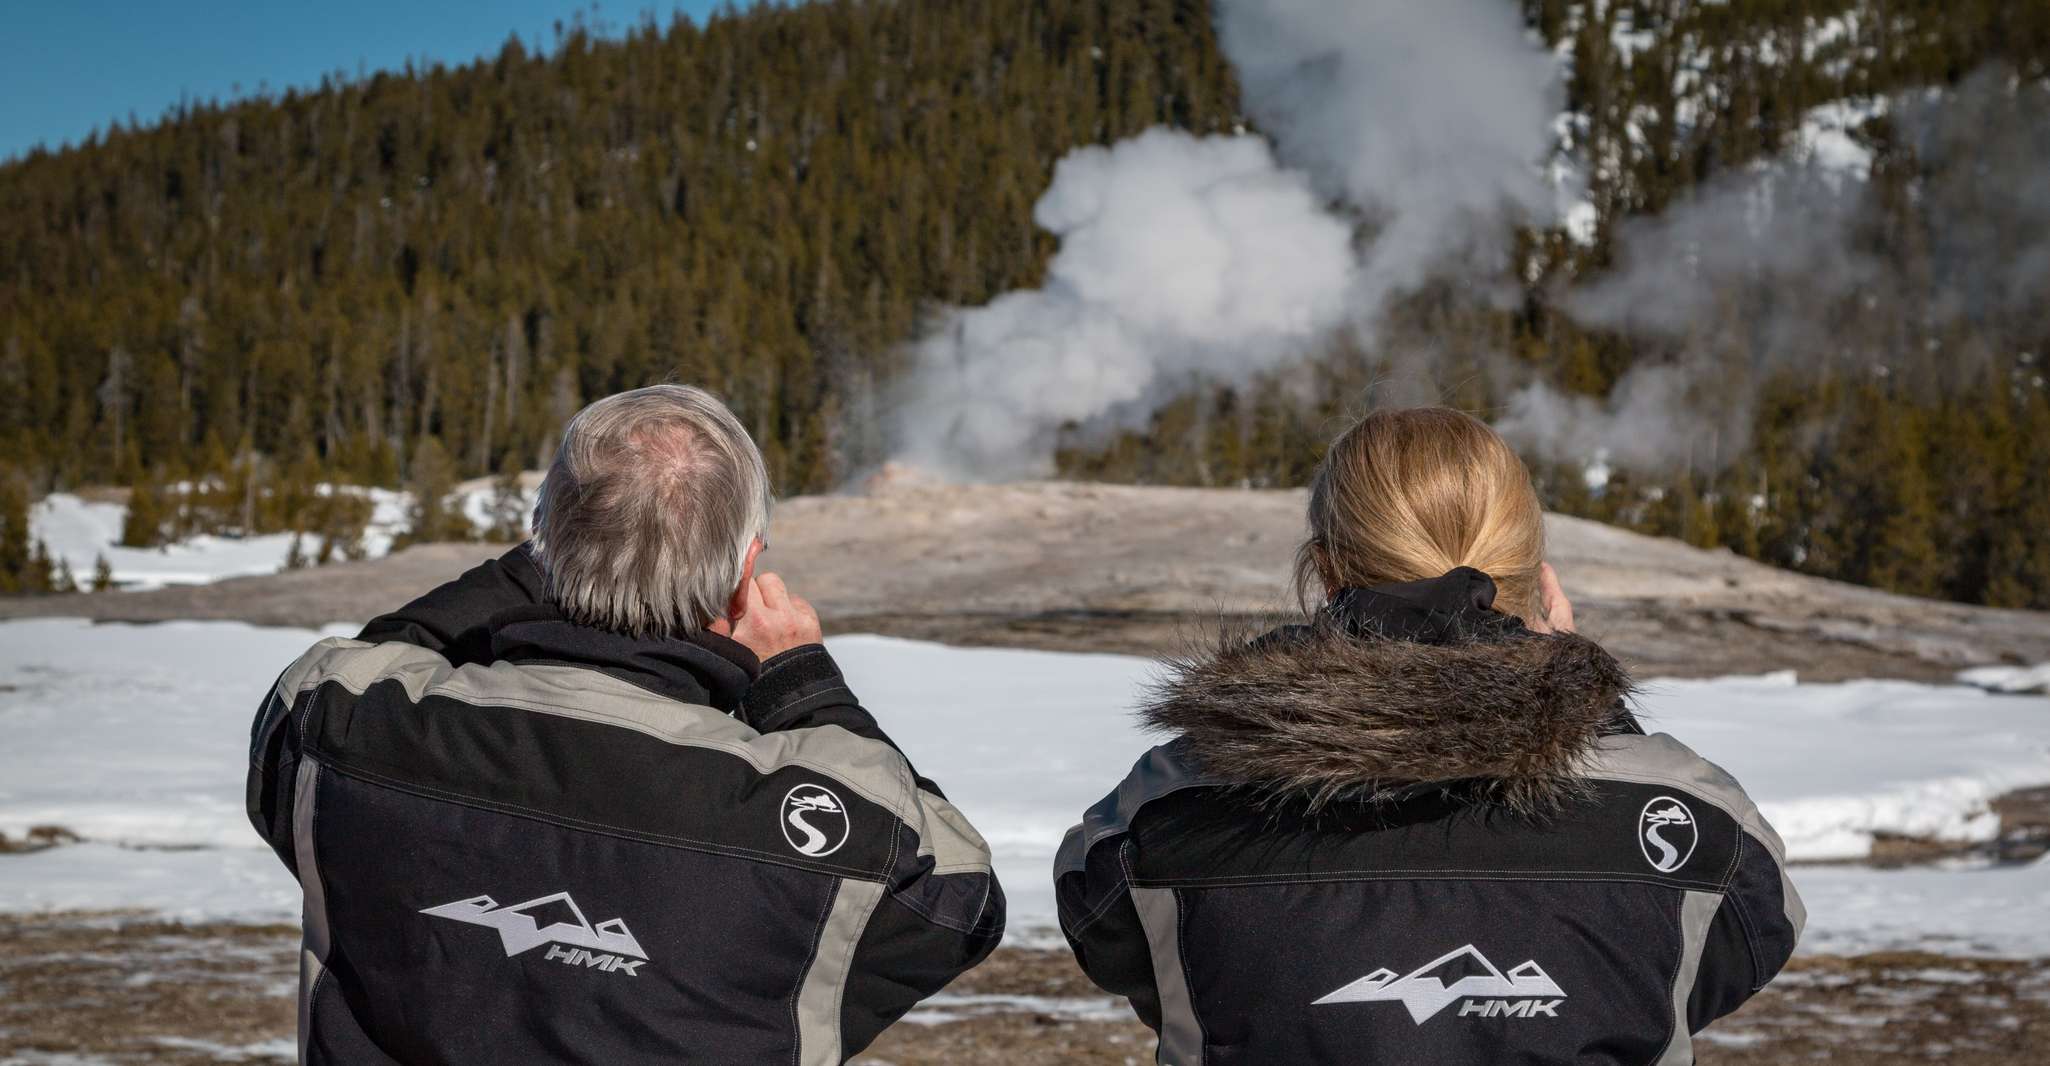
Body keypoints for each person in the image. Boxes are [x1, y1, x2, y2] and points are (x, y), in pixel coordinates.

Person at [248, 385, 1003, 1064]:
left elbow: (366, 660)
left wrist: (548, 553)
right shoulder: (799, 832)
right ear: (745, 572)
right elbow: (958, 895)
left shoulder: (342, 728)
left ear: (548, 537)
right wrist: (802, 685)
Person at [1054, 407, 1803, 1065]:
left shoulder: (1168, 808)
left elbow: (1112, 933)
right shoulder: (1688, 818)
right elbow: (1713, 958)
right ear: (1536, 581)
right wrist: (1580, 704)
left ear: (1323, 573)